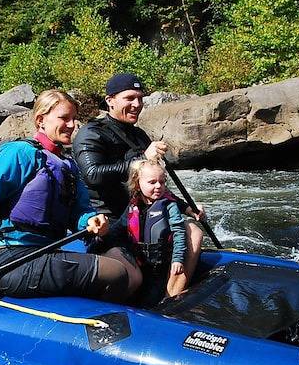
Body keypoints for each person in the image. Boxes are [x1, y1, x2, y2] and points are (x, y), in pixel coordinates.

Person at [0, 89, 131, 301]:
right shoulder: (19, 153)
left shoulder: (67, 165)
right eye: (64, 118)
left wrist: (90, 220)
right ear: (41, 120)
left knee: (117, 270)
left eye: (74, 119)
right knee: (116, 272)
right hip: (12, 258)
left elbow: (79, 212)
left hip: (44, 253)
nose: (72, 125)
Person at [72, 73, 204, 283]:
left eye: (140, 98)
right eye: (130, 98)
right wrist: (142, 158)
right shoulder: (90, 133)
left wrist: (186, 207)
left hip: (143, 216)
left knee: (193, 232)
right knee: (133, 276)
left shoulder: (139, 135)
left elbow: (152, 183)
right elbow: (93, 175)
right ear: (110, 101)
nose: (137, 104)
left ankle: (172, 298)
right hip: (110, 222)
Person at [122, 159, 188, 304]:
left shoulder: (169, 205)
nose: (158, 186)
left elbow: (179, 232)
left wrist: (177, 259)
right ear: (137, 183)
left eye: (162, 182)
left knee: (151, 300)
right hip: (140, 263)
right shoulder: (133, 205)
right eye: (152, 182)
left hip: (160, 267)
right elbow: (119, 228)